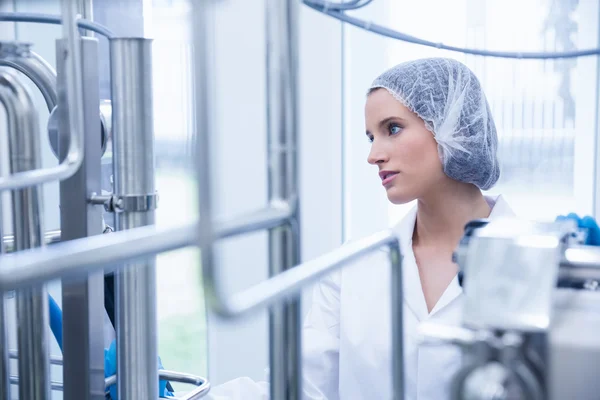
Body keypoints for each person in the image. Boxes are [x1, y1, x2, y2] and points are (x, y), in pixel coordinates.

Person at [206, 57, 511, 400]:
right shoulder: (353, 268)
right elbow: (296, 389)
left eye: (392, 128)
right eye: (370, 137)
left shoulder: (546, 265)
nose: (373, 155)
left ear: (452, 124)